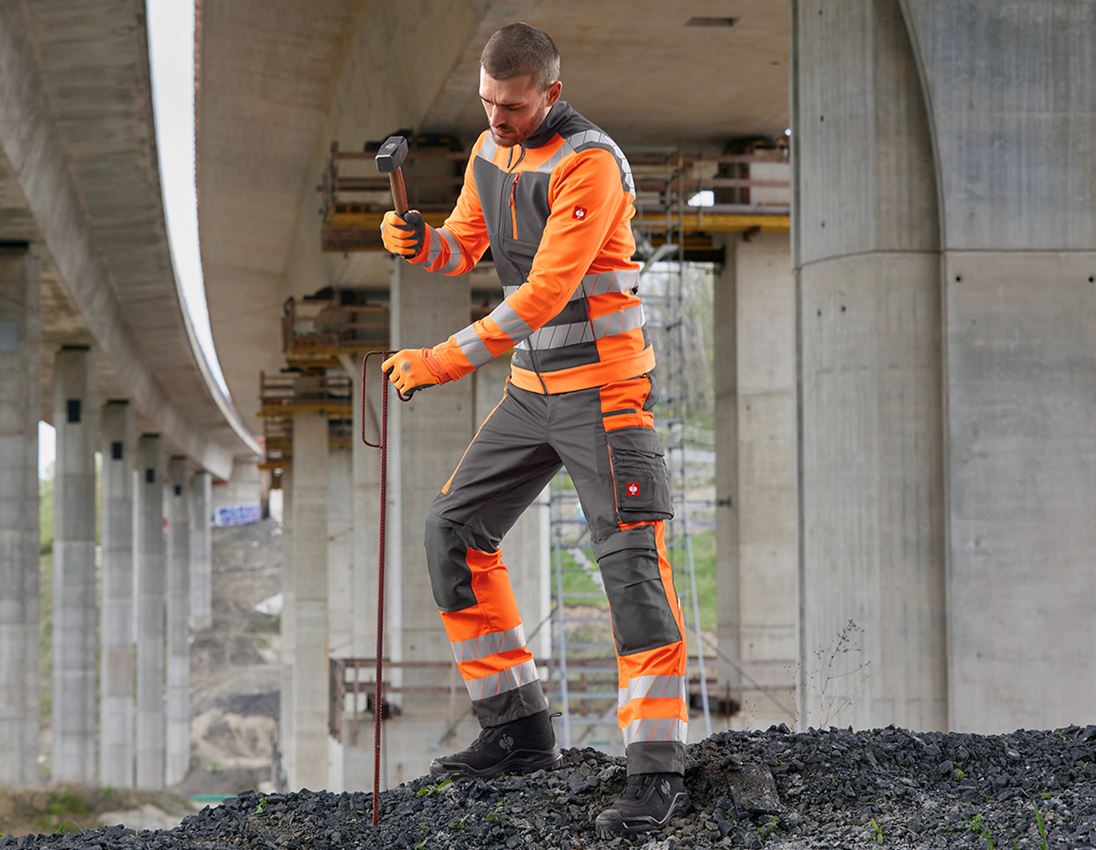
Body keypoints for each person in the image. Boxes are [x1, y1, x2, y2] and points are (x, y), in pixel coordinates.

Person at [379, 22, 691, 838]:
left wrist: (442, 359)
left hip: (606, 395)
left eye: (511, 106)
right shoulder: (492, 153)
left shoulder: (590, 163)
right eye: (485, 102)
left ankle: (656, 775)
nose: (496, 118)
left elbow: (543, 296)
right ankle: (516, 729)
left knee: (632, 577)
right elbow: (465, 248)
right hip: (531, 394)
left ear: (550, 93)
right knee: (452, 531)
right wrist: (420, 243)